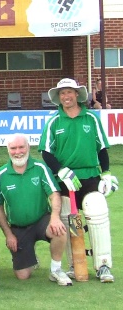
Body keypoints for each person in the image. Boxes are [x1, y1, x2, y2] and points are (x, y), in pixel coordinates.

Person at [38, 78, 118, 283]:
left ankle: (103, 265)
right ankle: (75, 263)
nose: (66, 96)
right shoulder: (54, 121)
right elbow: (46, 153)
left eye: (69, 92)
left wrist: (106, 173)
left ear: (77, 95)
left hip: (90, 176)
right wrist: (61, 171)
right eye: (62, 93)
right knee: (67, 219)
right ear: (59, 97)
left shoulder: (91, 118)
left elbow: (102, 148)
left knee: (97, 210)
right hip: (65, 180)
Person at [0, 134, 72, 285]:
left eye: (21, 147)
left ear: (28, 147)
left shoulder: (40, 168)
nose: (18, 152)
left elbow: (54, 194)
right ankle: (30, 256)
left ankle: (56, 270)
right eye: (13, 148)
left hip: (42, 219)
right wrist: (8, 234)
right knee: (22, 275)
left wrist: (55, 218)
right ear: (8, 150)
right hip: (18, 227)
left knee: (59, 230)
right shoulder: (1, 175)